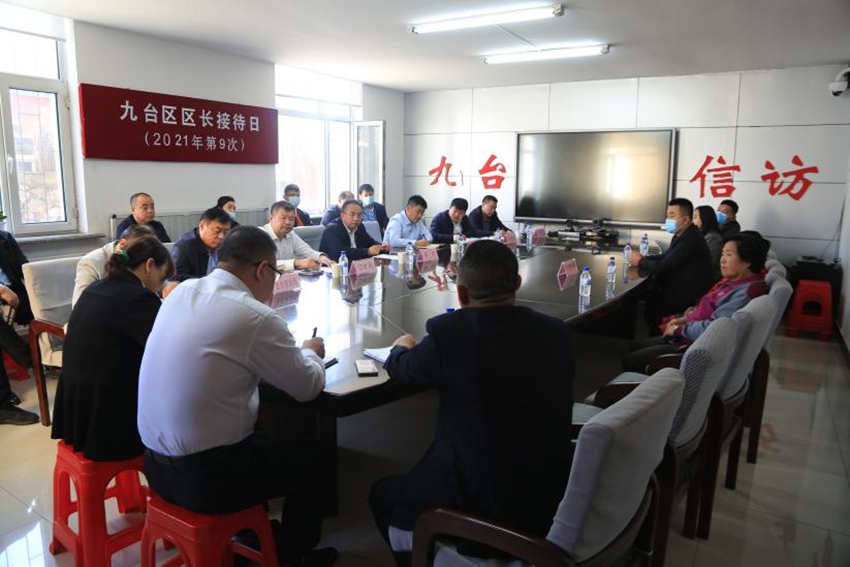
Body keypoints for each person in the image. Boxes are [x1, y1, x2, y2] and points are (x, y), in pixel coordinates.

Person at [137, 226, 336, 567]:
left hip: (154, 468)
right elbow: (308, 388)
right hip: (204, 480)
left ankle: (250, 534)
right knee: (316, 458)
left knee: (256, 432)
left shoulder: (181, 293)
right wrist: (310, 352)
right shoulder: (253, 315)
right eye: (275, 274)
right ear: (262, 270)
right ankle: (292, 555)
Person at [369, 240, 575, 567]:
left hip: (480, 497)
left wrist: (400, 348)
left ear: (461, 293)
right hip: (550, 488)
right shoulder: (556, 332)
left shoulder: (450, 333)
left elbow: (405, 372)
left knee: (383, 494)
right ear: (517, 284)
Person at [52, 236, 174, 460]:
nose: (161, 286)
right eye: (162, 277)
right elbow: (165, 350)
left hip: (77, 412)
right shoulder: (137, 298)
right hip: (107, 419)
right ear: (149, 266)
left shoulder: (96, 287)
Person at [622, 232, 770, 372]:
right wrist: (684, 319)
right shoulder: (735, 282)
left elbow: (717, 329)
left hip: (696, 348)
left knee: (631, 359)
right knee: (636, 346)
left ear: (747, 261)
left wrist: (679, 329)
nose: (722, 259)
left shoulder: (746, 292)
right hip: (691, 334)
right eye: (722, 254)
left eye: (729, 255)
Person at [628, 197, 714, 328]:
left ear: (685, 219)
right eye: (667, 215)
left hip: (685, 295)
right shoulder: (682, 234)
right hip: (677, 287)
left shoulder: (690, 239)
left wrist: (640, 261)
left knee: (650, 305)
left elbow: (663, 265)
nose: (668, 219)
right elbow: (666, 256)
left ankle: (658, 334)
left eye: (672, 216)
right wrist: (644, 259)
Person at [0, 230, 38, 426]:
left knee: (42, 305)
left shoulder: (4, 237)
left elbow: (25, 266)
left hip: (13, 291)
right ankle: (32, 360)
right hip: (3, 292)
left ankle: (43, 359)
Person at [73, 224, 159, 306]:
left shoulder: (144, 260)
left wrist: (164, 287)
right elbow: (79, 304)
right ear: (122, 244)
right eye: (141, 251)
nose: (144, 260)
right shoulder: (91, 263)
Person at [262, 200, 334, 271]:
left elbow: (308, 251)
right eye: (283, 218)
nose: (288, 222)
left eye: (291, 219)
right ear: (271, 218)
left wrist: (321, 257)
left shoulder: (290, 234)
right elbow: (265, 264)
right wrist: (296, 263)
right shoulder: (260, 236)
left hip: (287, 277)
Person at [171, 207, 232, 281]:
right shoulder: (184, 246)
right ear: (202, 226)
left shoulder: (226, 244)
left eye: (226, 232)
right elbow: (176, 277)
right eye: (217, 231)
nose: (221, 236)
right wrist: (208, 281)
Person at [319, 200, 387, 261]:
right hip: (335, 268)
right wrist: (367, 251)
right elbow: (339, 252)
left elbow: (370, 243)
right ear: (342, 215)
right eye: (352, 214)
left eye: (359, 215)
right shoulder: (332, 229)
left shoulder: (360, 227)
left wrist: (382, 248)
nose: (356, 219)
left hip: (356, 265)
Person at [694, 204, 724, 281]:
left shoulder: (713, 237)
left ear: (705, 218)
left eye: (695, 217)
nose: (692, 221)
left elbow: (707, 262)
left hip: (709, 278)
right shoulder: (701, 235)